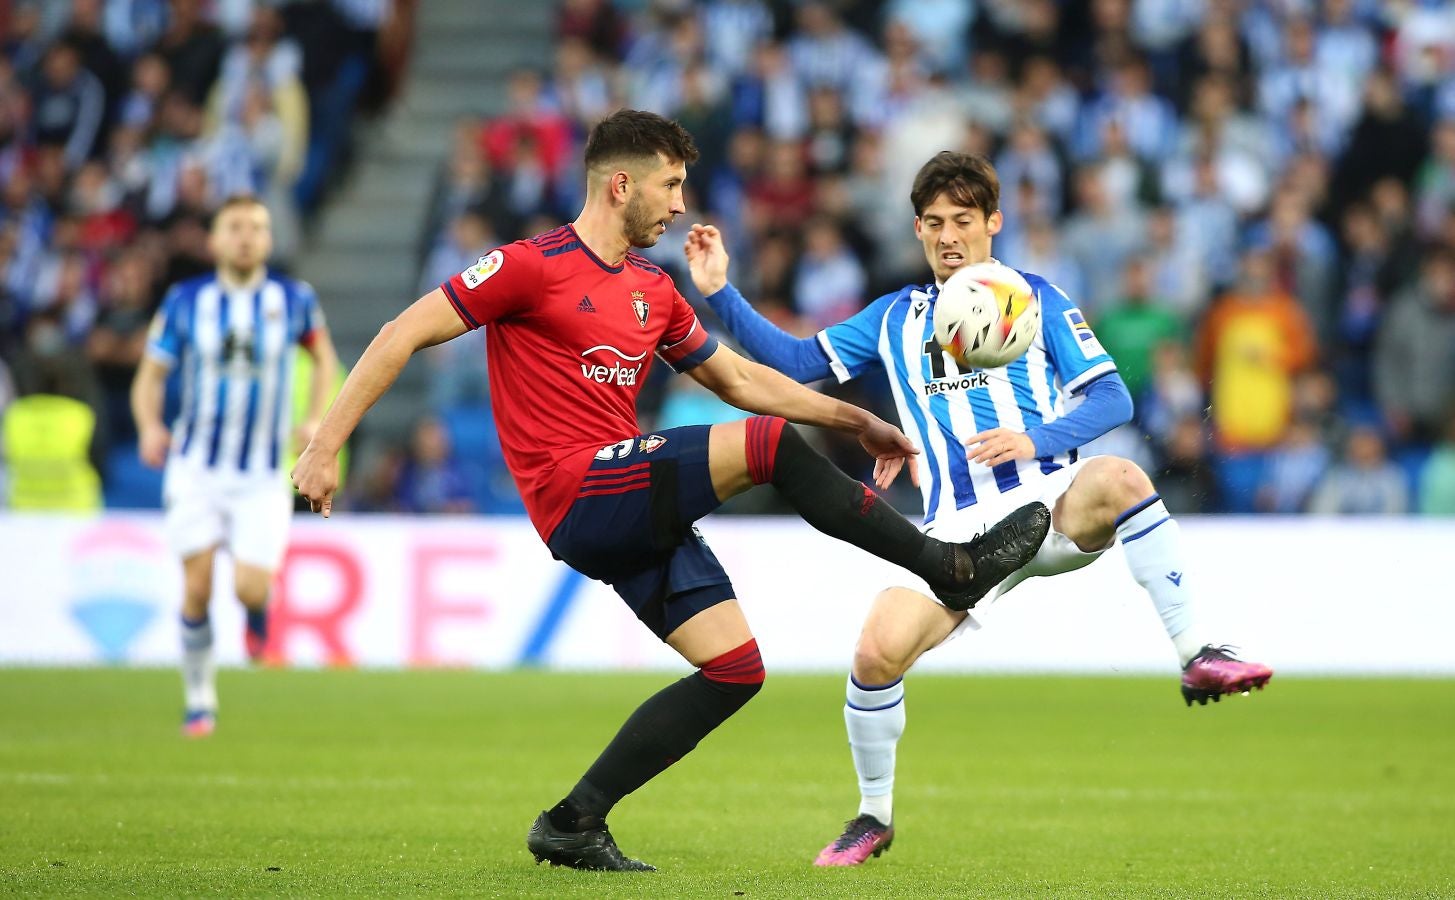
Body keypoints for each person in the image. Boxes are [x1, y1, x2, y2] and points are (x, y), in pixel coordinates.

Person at [289, 110, 1050, 873]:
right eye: (671, 184)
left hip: (628, 498)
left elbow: (741, 379)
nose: (680, 203)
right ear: (621, 185)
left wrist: (857, 420)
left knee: (734, 671)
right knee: (766, 449)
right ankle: (948, 566)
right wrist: (326, 446)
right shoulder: (530, 265)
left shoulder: (653, 287)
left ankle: (574, 820)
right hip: (577, 488)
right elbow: (400, 332)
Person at [688, 150, 1274, 867]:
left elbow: (1112, 398)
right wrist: (719, 293)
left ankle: (1194, 654)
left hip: (1048, 500)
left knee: (1120, 476)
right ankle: (872, 818)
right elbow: (797, 362)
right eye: (933, 223)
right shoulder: (894, 317)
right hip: (954, 535)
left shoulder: (1034, 298)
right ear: (917, 230)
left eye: (963, 221)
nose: (947, 236)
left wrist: (1033, 437)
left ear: (993, 223)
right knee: (875, 652)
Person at [130, 194, 339, 738]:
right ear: (216, 240)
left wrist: (316, 417)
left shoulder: (293, 299)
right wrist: (151, 425)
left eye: (257, 227)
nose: (247, 236)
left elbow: (324, 359)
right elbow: (150, 375)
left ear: (268, 240)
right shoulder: (184, 300)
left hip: (263, 473)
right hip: (196, 466)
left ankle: (255, 615)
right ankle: (200, 702)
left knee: (249, 587)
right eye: (236, 227)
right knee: (196, 588)